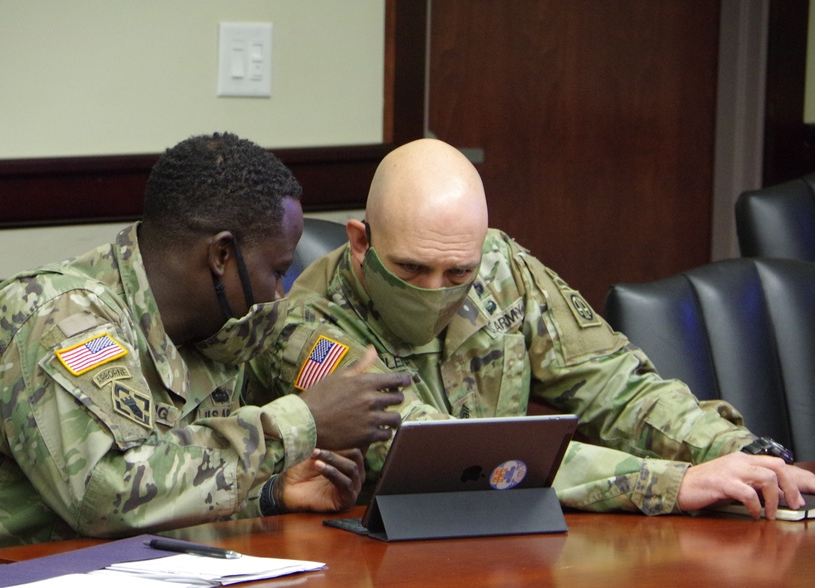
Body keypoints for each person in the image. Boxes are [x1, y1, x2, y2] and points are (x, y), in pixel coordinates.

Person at [0, 132, 410, 567]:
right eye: (275, 269)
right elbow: (104, 496)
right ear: (222, 255)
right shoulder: (61, 317)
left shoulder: (211, 326)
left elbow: (159, 497)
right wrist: (300, 423)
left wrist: (268, 496)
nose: (280, 291)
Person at [249, 138, 815, 518]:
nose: (434, 289)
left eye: (457, 271)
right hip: (382, 570)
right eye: (411, 269)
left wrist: (741, 454)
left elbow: (617, 386)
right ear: (360, 241)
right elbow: (438, 456)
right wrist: (669, 484)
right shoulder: (306, 324)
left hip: (514, 549)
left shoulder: (501, 267)